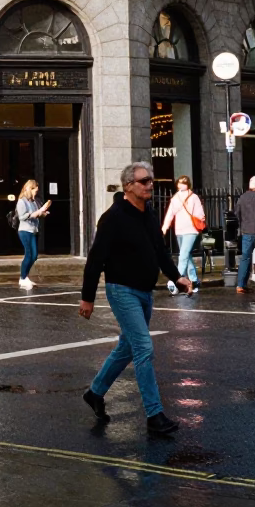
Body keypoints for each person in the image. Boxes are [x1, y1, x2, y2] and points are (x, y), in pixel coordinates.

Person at [79, 161, 192, 435]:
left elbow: (160, 250)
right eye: (144, 181)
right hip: (122, 290)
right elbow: (95, 259)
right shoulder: (113, 217)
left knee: (127, 347)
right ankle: (154, 415)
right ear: (128, 186)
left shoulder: (148, 213)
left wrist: (177, 275)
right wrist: (87, 297)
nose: (150, 185)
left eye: (151, 180)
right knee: (144, 348)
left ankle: (95, 393)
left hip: (144, 291)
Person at [162, 175, 205, 292]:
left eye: (184, 183)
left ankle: (177, 280)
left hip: (190, 230)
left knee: (183, 256)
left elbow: (200, 214)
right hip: (180, 230)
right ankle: (194, 281)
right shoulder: (177, 197)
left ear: (188, 184)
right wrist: (165, 227)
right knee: (187, 255)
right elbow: (170, 214)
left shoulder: (192, 197)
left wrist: (165, 227)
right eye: (180, 183)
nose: (182, 185)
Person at [16, 179, 50, 291]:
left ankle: (25, 277)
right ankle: (22, 278)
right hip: (25, 231)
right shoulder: (22, 201)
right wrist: (35, 214)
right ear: (30, 189)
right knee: (29, 254)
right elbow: (22, 217)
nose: (36, 192)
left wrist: (43, 213)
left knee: (34, 255)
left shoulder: (34, 201)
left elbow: (37, 214)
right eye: (35, 190)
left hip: (33, 230)